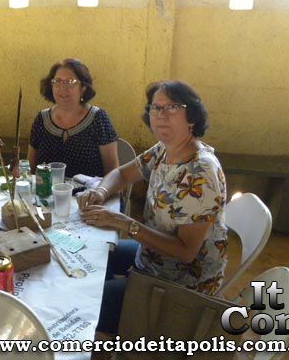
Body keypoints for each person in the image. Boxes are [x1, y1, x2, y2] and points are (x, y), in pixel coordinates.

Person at [78, 80, 227, 335]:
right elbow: (122, 174)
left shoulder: (200, 172)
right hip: (152, 257)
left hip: (180, 286)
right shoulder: (164, 150)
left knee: (84, 303)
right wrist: (100, 191)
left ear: (192, 117)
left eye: (172, 107)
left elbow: (185, 252)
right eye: (156, 108)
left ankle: (126, 334)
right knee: (91, 253)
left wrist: (125, 223)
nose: (161, 115)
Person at [27, 58, 119, 178]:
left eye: (70, 82)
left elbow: (113, 174)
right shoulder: (41, 119)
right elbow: (30, 170)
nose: (62, 88)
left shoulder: (98, 119)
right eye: (58, 81)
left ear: (83, 88)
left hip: (90, 190)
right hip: (46, 190)